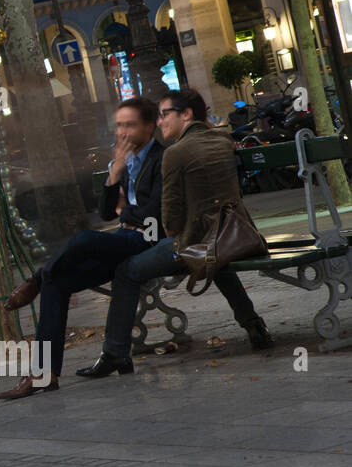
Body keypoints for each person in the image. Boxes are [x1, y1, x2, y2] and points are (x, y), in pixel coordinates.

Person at [76, 88, 274, 377]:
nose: (159, 122)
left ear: (186, 114)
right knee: (214, 256)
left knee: (127, 271)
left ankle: (115, 352)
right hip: (235, 234)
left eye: (164, 114)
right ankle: (253, 324)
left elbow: (169, 219)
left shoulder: (174, 153)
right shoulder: (222, 138)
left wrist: (157, 229)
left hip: (198, 241)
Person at [0, 97, 164, 400]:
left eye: (130, 125)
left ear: (149, 126)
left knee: (84, 239)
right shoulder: (124, 162)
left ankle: (35, 278)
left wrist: (125, 212)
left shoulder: (161, 159)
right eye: (119, 126)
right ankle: (44, 374)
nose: (122, 132)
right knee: (56, 283)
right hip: (125, 241)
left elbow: (154, 215)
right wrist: (114, 175)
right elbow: (104, 213)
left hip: (150, 239)